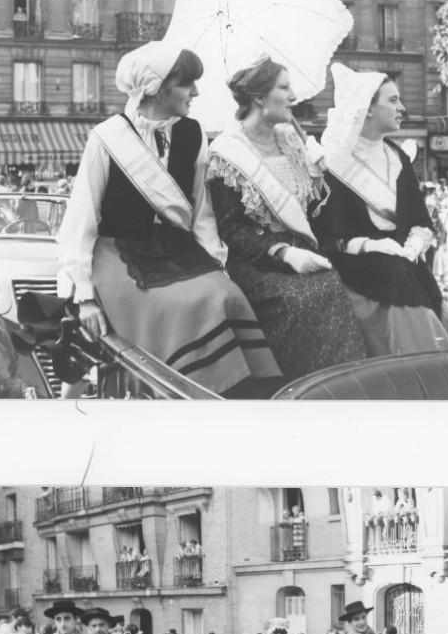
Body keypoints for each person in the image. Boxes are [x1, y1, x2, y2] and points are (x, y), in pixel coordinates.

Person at [57, 40, 281, 397]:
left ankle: (230, 395)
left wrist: (215, 263)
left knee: (227, 295)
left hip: (175, 249)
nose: (194, 92)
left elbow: (201, 210)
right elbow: (81, 218)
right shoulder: (106, 138)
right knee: (184, 305)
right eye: (186, 84)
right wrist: (84, 294)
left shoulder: (193, 134)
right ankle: (182, 391)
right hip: (118, 255)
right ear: (157, 89)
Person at [206, 56, 364, 381]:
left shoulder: (292, 140)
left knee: (337, 285)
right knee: (304, 299)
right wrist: (284, 253)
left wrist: (319, 176)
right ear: (259, 97)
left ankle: (343, 389)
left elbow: (309, 215)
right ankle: (299, 390)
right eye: (284, 87)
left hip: (304, 254)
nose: (293, 96)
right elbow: (230, 230)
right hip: (255, 262)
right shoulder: (226, 150)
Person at [316, 63, 448, 355]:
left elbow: (420, 219)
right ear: (367, 108)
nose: (403, 108)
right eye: (393, 100)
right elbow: (323, 235)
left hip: (403, 268)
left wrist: (413, 245)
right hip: (358, 270)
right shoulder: (332, 161)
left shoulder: (397, 156)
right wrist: (370, 245)